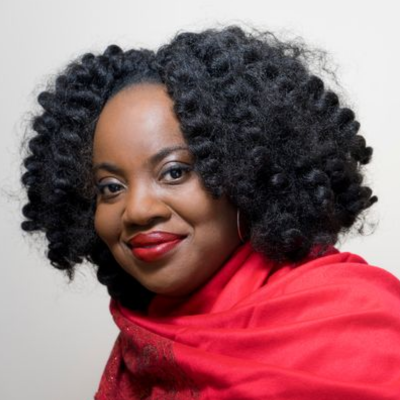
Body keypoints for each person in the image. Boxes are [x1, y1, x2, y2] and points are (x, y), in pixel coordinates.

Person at [21, 26, 400, 399]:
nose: (136, 210)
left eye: (174, 172)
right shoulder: (142, 349)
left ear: (248, 173)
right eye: (110, 187)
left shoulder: (359, 321)